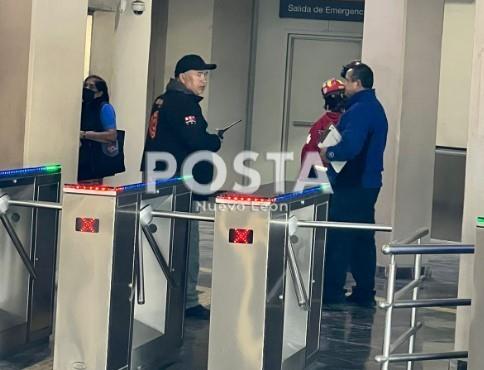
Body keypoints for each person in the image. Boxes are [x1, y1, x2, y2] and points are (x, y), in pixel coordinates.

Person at [141, 54, 222, 320]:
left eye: (206, 75)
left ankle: (159, 294)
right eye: (200, 74)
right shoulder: (182, 102)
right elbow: (196, 139)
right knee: (187, 238)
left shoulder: (163, 100)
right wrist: (214, 141)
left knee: (160, 236)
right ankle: (187, 301)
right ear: (183, 76)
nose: (204, 80)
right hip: (177, 182)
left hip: (158, 177)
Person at [319, 63, 388, 307]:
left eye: (347, 82)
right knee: (362, 239)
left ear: (357, 83)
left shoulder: (359, 110)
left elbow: (350, 147)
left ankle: (331, 293)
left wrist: (329, 153)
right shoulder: (374, 107)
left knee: (339, 237)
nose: (344, 87)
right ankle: (364, 292)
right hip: (368, 184)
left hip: (352, 184)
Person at [78, 75, 118, 183]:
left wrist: (85, 135)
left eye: (91, 87)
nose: (87, 89)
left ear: (100, 92)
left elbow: (112, 135)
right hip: (80, 160)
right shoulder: (81, 106)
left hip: (94, 161)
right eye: (85, 85)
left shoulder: (104, 108)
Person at [300, 78, 346, 172]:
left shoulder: (318, 126)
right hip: (348, 179)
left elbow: (307, 153)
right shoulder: (351, 123)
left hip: (322, 177)